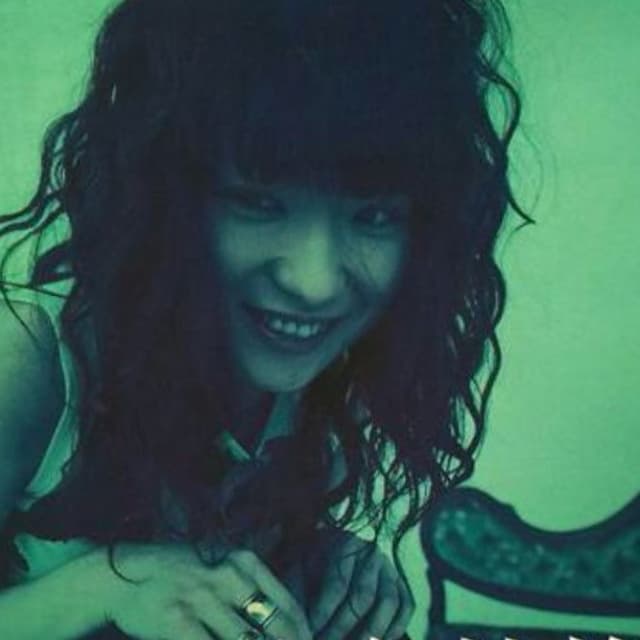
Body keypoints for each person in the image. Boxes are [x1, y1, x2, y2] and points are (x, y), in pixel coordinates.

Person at [0, 0, 531, 638]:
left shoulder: (318, 388)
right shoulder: (31, 357)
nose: (314, 282)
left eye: (373, 215)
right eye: (258, 201)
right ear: (165, 199)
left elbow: (212, 573)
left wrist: (317, 559)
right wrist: (100, 585)